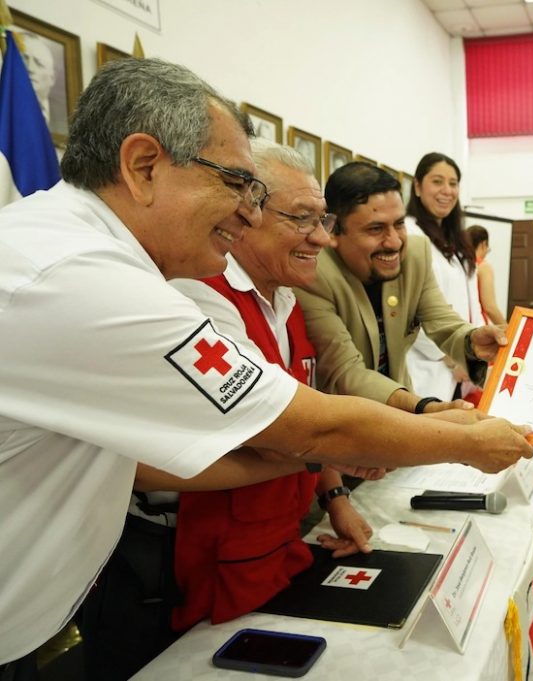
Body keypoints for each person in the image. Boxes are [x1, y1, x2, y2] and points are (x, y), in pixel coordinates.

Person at [0, 58, 532, 672]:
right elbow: (311, 426)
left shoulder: (74, 251)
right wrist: (465, 442)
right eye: (236, 184)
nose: (248, 214)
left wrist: (368, 451)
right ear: (144, 166)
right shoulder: (87, 280)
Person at [75, 139, 381, 680]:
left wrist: (334, 495)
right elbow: (281, 433)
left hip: (267, 546)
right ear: (249, 213)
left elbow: (306, 411)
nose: (321, 237)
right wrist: (396, 442)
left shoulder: (285, 298)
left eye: (323, 219)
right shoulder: (199, 297)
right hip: (181, 558)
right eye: (302, 218)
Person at [295, 161, 499, 413]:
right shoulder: (314, 275)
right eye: (376, 229)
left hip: (404, 404)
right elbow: (346, 371)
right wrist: (424, 409)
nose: (394, 242)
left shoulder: (414, 255)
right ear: (333, 231)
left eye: (400, 224)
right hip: (348, 418)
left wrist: (472, 341)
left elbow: (443, 322)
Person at [404, 152, 482, 401]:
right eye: (437, 182)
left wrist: (475, 353)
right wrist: (452, 357)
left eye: (453, 183)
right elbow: (408, 312)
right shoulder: (409, 234)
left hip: (462, 366)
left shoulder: (457, 240)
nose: (447, 190)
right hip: (428, 368)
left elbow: (472, 305)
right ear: (417, 186)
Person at [466, 224, 507, 326]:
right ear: (483, 244)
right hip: (477, 325)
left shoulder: (459, 265)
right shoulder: (483, 267)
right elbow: (490, 307)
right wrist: (509, 330)